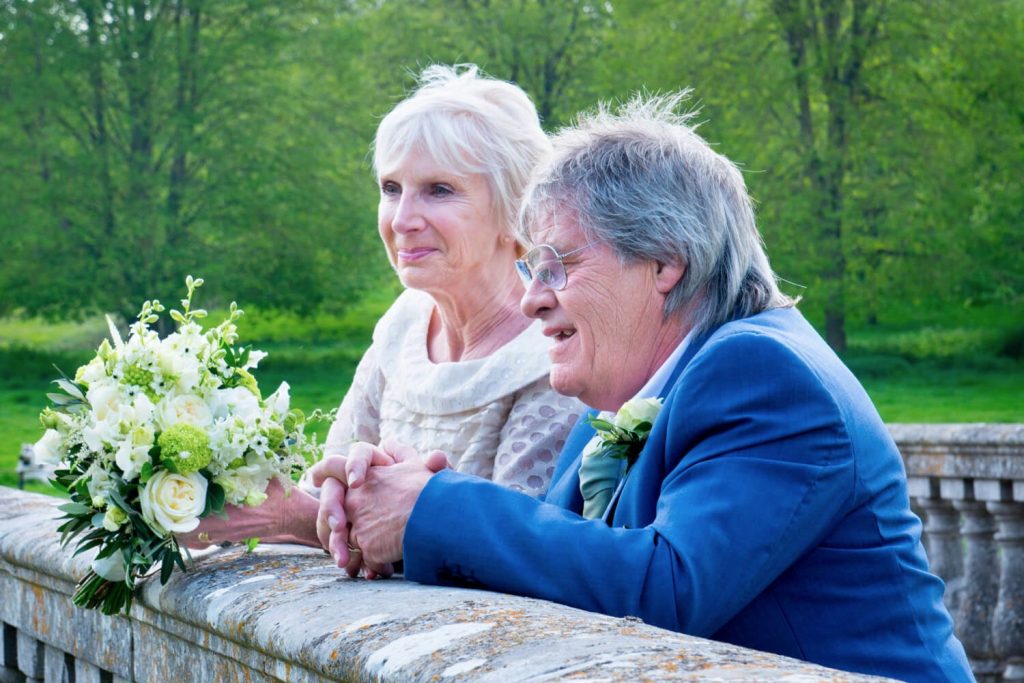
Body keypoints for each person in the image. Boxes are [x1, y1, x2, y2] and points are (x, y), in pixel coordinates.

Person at [314, 93, 973, 681]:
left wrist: (434, 507)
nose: (533, 299)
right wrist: (400, 510)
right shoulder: (627, 382)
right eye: (529, 267)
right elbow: (559, 552)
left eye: (555, 266)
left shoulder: (766, 373)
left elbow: (669, 584)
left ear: (664, 263)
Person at [183, 65, 583, 570]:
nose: (401, 220)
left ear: (514, 209)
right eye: (391, 188)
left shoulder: (553, 352)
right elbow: (328, 485)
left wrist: (288, 518)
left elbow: (511, 555)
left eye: (439, 190)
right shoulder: (404, 328)